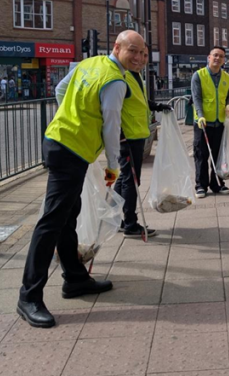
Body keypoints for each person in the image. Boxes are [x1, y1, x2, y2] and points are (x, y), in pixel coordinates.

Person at [16, 30, 140, 328]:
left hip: (59, 141)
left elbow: (61, 90)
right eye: (132, 51)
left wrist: (72, 116)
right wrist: (113, 166)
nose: (137, 57)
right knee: (51, 222)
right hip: (71, 149)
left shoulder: (89, 63)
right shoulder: (115, 81)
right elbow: (111, 127)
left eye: (141, 52)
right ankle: (28, 296)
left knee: (67, 215)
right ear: (117, 48)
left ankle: (74, 278)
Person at [116, 43, 170, 237]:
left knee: (124, 177)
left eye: (145, 55)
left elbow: (138, 101)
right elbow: (113, 106)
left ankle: (116, 218)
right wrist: (120, 133)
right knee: (131, 179)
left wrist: (156, 105)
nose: (141, 59)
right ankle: (130, 223)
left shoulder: (136, 76)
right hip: (127, 137)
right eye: (136, 53)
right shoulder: (122, 77)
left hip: (137, 135)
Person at [192, 46, 229, 198]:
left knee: (218, 156)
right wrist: (200, 115)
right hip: (203, 123)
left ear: (224, 60)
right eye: (215, 55)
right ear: (209, 57)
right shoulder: (198, 75)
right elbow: (196, 98)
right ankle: (200, 186)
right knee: (201, 155)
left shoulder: (226, 77)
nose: (218, 58)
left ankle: (217, 184)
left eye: (221, 56)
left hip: (219, 123)